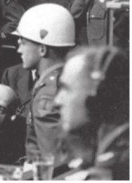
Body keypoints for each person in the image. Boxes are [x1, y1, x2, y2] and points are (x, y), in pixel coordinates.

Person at [54, 46, 129, 180]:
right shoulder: (99, 157)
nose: (57, 101)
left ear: (97, 99)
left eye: (66, 88)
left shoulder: (118, 168)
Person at [14, 3, 75, 165]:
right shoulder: (72, 80)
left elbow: (53, 162)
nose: (18, 49)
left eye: (23, 42)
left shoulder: (47, 94)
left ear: (42, 49)